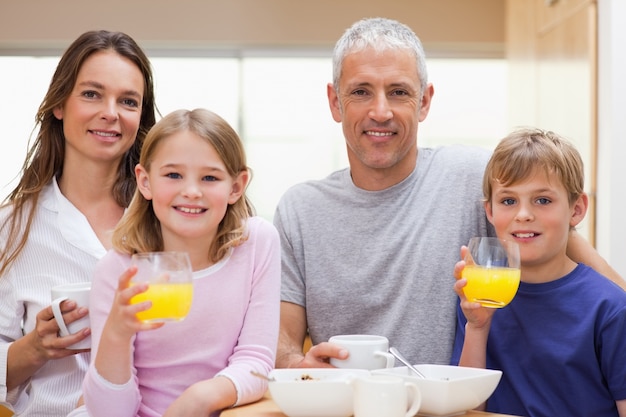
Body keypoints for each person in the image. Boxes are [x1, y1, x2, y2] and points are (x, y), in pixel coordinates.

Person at [273, 17, 624, 370]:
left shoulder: (475, 174)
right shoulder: (299, 211)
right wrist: (294, 366)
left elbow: (574, 257)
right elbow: (282, 342)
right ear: (335, 102)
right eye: (361, 91)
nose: (380, 112)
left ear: (424, 102)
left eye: (398, 92)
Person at [78, 108, 280, 417]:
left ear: (236, 187)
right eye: (173, 175)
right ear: (145, 182)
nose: (191, 192)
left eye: (210, 177)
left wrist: (198, 399)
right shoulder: (118, 269)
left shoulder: (256, 243)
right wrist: (116, 334)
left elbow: (256, 363)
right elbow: (109, 412)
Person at [0, 30, 157, 416]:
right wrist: (36, 347)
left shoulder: (166, 216)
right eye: (91, 94)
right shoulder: (12, 227)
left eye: (128, 101)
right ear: (59, 105)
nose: (111, 112)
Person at [451, 128, 626, 417]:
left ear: (576, 209)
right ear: (490, 212)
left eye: (542, 200)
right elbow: (469, 409)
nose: (523, 215)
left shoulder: (610, 308)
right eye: (508, 201)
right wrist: (477, 329)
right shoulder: (478, 299)